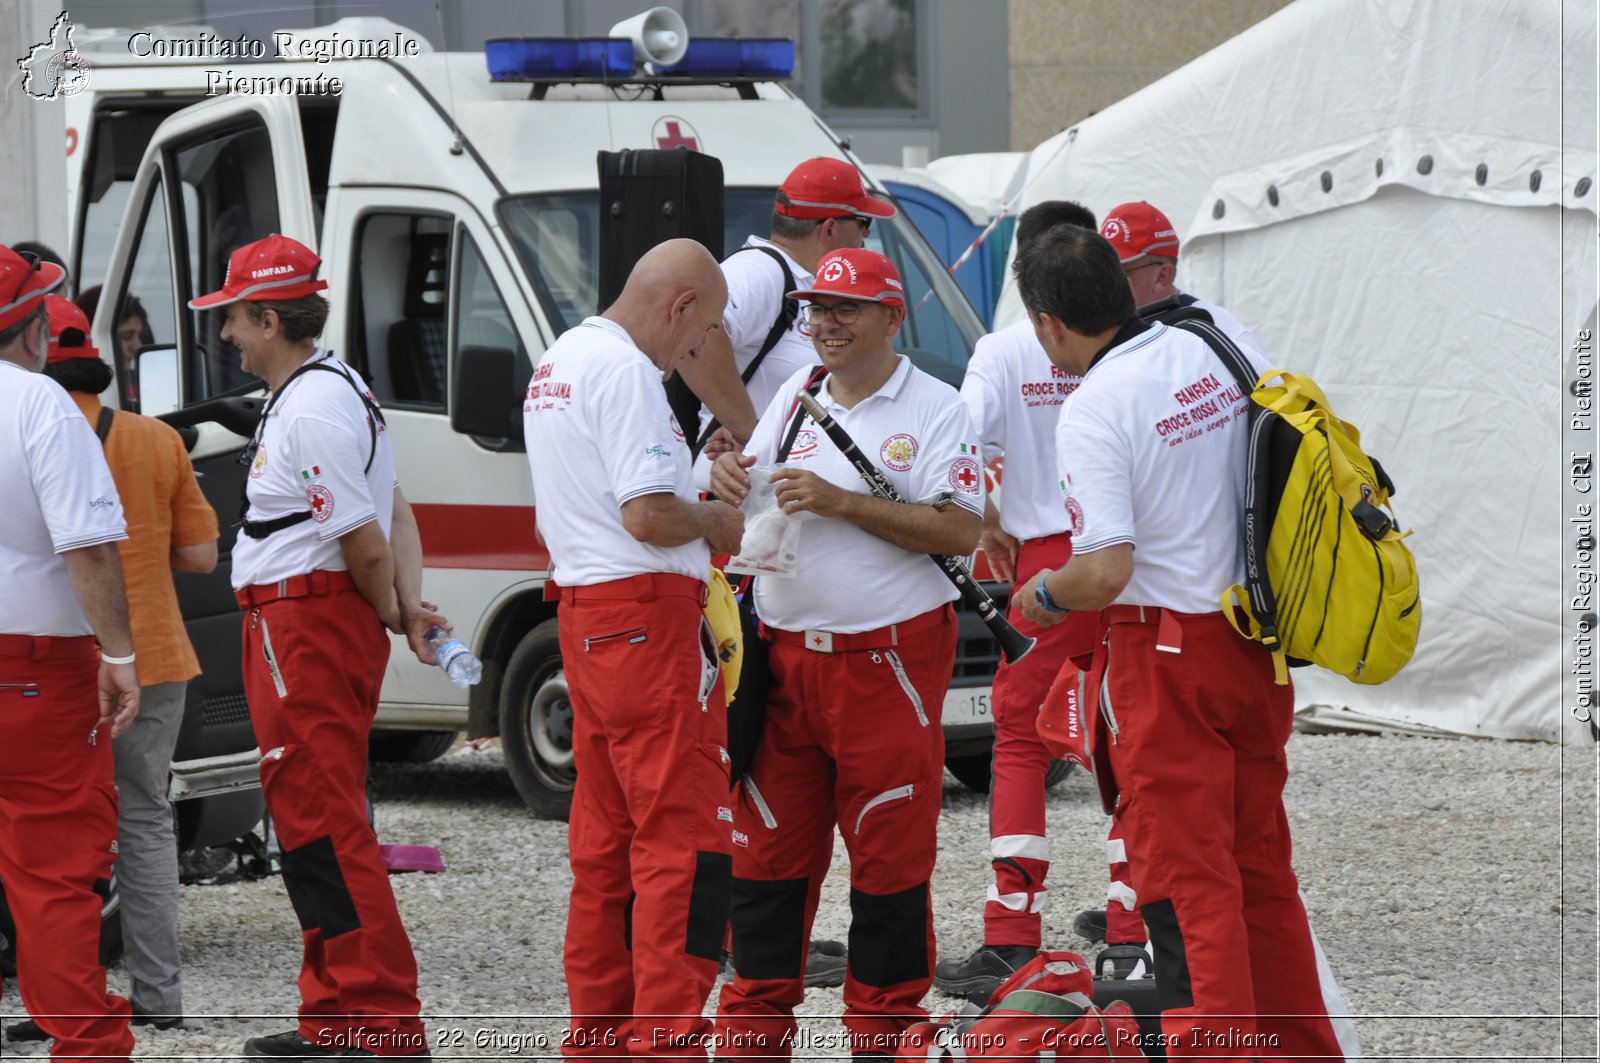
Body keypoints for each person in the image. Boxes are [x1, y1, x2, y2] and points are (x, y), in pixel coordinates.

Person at [1013, 223, 1346, 1061]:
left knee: (1186, 886)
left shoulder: (1093, 406)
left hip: (1165, 657)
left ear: (1050, 325)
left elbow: (1105, 569)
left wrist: (1042, 594)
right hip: (1250, 641)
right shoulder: (1215, 338)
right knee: (1262, 872)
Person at [711, 248, 984, 1062]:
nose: (824, 324)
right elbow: (749, 497)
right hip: (784, 658)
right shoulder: (794, 397)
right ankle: (751, 1040)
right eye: (814, 309)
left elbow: (960, 529)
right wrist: (726, 473)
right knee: (763, 861)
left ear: (892, 317)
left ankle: (885, 1039)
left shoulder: (938, 406)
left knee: (889, 861)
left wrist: (840, 502)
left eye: (845, 309)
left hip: (887, 663)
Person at [188, 233, 442, 1061]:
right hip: (303, 623)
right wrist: (402, 608)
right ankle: (335, 1010)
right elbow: (394, 505)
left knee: (323, 824)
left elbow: (366, 537)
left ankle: (381, 1022)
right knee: (308, 822)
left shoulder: (314, 403)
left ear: (269, 318)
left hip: (303, 625)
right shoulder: (332, 391)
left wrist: (392, 607)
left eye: (233, 320)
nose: (225, 336)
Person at [521, 238, 743, 1059]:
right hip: (647, 618)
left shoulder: (560, 360)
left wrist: (690, 476)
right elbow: (646, 516)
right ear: (681, 304)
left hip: (588, 614)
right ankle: (667, 1039)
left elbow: (618, 495)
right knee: (684, 841)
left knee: (606, 844)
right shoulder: (626, 372)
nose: (697, 351)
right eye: (704, 329)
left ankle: (602, 1037)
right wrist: (718, 521)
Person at [932, 201, 1110, 1004]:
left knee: (1019, 740)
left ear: (1019, 271)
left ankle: (1012, 930)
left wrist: (992, 517)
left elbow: (959, 448)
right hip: (1127, 562)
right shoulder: (1128, 340)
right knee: (1126, 734)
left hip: (1045, 560)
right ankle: (1136, 923)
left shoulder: (1002, 351)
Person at [44, 296, 218, 1029]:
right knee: (146, 818)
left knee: (50, 830)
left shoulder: (29, 432)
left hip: (58, 660)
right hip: (156, 656)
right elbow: (202, 554)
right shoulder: (155, 439)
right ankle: (159, 999)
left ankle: (69, 997)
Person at [0, 243, 140, 1061]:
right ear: (34, 329)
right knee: (53, 875)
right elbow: (87, 548)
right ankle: (85, 1044)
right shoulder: (42, 408)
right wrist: (118, 653)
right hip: (34, 671)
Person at [681, 156, 895, 482]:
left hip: (772, 493)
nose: (865, 236)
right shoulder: (761, 270)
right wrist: (749, 434)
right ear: (830, 228)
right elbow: (691, 335)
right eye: (864, 221)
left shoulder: (798, 278)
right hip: (741, 490)